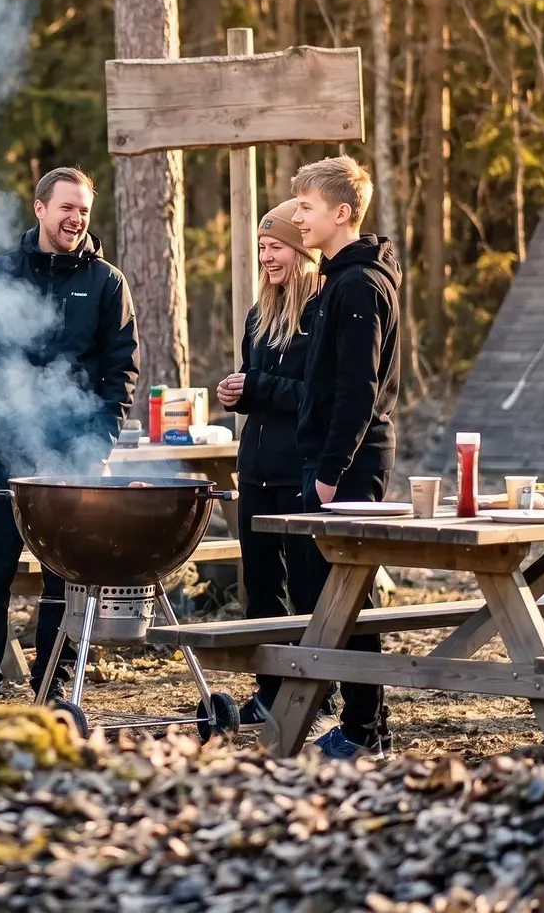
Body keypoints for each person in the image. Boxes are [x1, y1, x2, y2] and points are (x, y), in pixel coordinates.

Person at [0, 166, 139, 704]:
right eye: (66, 208)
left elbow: (120, 374)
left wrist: (98, 445)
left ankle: (53, 688)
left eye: (83, 210)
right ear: (40, 208)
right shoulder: (0, 274)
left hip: (72, 454)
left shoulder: (106, 282)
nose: (75, 219)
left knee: (65, 578)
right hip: (4, 450)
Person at [288, 156, 403, 759]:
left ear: (341, 212)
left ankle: (364, 729)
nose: (296, 217)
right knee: (338, 595)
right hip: (332, 460)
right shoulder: (337, 281)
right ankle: (365, 725)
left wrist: (331, 472)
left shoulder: (360, 285)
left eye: (305, 207)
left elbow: (359, 389)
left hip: (350, 465)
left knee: (353, 595)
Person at [215, 201, 327, 729]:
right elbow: (256, 382)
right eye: (261, 248)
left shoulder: (321, 314)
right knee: (261, 586)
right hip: (255, 466)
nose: (266, 258)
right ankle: (269, 692)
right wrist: (236, 392)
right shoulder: (259, 316)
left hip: (300, 468)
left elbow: (320, 396)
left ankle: (316, 689)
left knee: (308, 585)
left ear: (301, 250)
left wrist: (260, 387)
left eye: (276, 246)